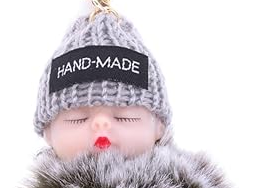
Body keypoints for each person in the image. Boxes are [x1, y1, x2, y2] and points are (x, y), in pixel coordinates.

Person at [33, 11, 174, 160]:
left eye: (125, 117)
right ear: (48, 132)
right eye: (77, 119)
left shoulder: (180, 175)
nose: (101, 124)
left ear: (159, 127)